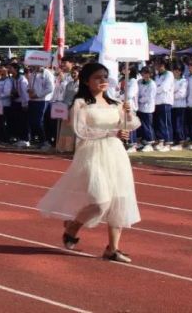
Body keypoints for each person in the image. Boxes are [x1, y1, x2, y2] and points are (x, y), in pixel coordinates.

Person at [38, 62, 140, 264]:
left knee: (118, 200)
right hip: (92, 153)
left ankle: (113, 248)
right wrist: (111, 132)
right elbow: (80, 130)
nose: (103, 81)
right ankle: (74, 226)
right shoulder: (81, 103)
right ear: (86, 81)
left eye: (105, 77)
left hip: (115, 153)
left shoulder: (116, 103)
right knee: (101, 201)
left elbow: (132, 125)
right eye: (97, 77)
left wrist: (128, 113)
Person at [152, 60, 175, 151]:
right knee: (159, 123)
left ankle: (168, 142)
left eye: (158, 65)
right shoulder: (157, 76)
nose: (156, 67)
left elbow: (164, 87)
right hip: (157, 102)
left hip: (165, 101)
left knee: (166, 122)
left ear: (163, 65)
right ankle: (161, 140)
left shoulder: (169, 74)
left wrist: (154, 90)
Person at [170, 64, 187, 151]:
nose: (176, 72)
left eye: (178, 70)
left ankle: (181, 141)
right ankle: (175, 140)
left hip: (180, 105)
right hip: (172, 105)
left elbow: (181, 93)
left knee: (178, 124)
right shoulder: (171, 80)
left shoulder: (183, 81)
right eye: (175, 70)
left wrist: (172, 94)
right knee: (173, 124)